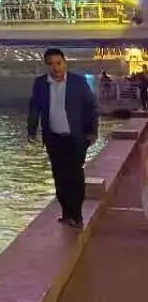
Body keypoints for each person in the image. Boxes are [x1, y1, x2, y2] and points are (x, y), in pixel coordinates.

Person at [28, 47, 99, 229]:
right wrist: (32, 130)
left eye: (58, 63)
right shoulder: (41, 84)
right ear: (47, 66)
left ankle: (77, 215)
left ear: (64, 63)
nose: (56, 67)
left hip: (76, 139)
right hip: (53, 139)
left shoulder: (78, 82)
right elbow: (35, 108)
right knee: (59, 177)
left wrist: (92, 132)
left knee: (75, 177)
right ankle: (66, 213)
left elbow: (91, 107)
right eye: (51, 64)